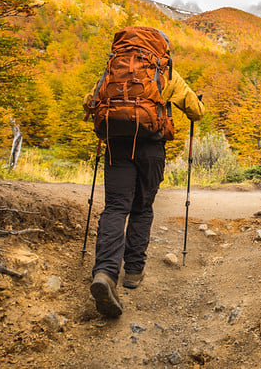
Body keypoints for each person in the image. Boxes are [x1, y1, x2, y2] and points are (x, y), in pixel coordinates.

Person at [86, 48, 204, 318]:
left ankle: (105, 272)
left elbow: (89, 101)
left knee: (115, 208)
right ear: (160, 51)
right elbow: (197, 112)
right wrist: (197, 101)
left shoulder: (112, 71)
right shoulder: (165, 73)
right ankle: (134, 271)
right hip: (151, 148)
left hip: (116, 146)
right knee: (142, 207)